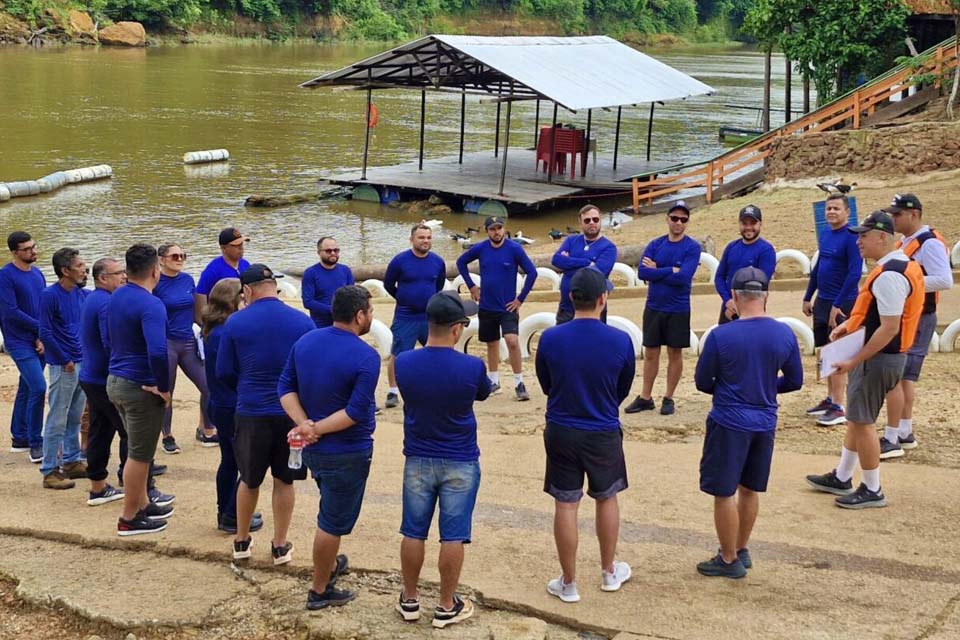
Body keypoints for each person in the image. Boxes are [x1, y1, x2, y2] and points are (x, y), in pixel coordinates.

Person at [806, 211, 924, 509]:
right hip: (884, 356)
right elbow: (880, 318)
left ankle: (872, 488)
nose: (858, 241)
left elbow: (888, 327)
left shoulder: (889, 275)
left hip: (879, 358)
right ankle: (844, 475)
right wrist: (851, 326)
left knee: (863, 421)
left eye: (864, 235)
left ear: (882, 237)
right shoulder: (899, 266)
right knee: (858, 420)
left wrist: (854, 358)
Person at [694, 267, 803, 579]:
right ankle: (741, 548)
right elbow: (794, 380)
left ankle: (728, 558)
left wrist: (729, 387)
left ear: (734, 297)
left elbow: (703, 381)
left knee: (724, 491)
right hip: (764, 419)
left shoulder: (720, 335)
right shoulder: (784, 333)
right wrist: (767, 386)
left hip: (729, 419)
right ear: (766, 295)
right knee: (750, 488)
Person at [536, 267, 635, 603]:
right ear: (603, 299)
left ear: (570, 297)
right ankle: (608, 571)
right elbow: (622, 387)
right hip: (602, 428)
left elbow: (546, 383)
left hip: (563, 427)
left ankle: (569, 581)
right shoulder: (620, 339)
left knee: (566, 504)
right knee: (606, 497)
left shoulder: (550, 337)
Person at [394, 291, 491, 628]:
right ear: (456, 329)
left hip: (418, 456)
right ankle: (446, 604)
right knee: (453, 534)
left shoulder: (404, 362)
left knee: (413, 530)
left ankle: (409, 598)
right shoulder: (471, 366)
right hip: (460, 457)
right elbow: (482, 391)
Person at [280, 285, 380, 609]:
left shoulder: (306, 340)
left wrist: (304, 425)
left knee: (330, 509)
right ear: (359, 315)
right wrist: (314, 429)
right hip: (346, 451)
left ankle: (329, 564)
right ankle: (320, 589)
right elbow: (355, 411)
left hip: (314, 450)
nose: (372, 317)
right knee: (331, 522)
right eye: (371, 311)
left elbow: (285, 387)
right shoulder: (367, 356)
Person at [217, 264, 314, 564]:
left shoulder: (235, 323)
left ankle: (241, 541)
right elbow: (310, 372)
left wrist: (247, 386)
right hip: (290, 413)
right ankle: (280, 544)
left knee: (248, 479)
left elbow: (223, 372)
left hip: (251, 411)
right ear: (275, 286)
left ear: (247, 290)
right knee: (284, 480)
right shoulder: (303, 322)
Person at [108, 244, 175, 536]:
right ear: (154, 271)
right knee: (140, 454)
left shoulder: (118, 295)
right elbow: (158, 351)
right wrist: (163, 387)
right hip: (140, 386)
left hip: (116, 380)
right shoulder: (151, 304)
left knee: (137, 448)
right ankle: (129, 516)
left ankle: (144, 503)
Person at [879, 193, 952, 459]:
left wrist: (909, 283)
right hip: (911, 313)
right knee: (903, 376)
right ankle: (902, 432)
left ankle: (899, 433)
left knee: (904, 375)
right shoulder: (907, 241)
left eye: (897, 214)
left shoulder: (929, 243)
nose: (893, 219)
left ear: (913, 214)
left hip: (920, 315)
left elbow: (944, 279)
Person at [201, 278, 264, 534]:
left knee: (229, 460)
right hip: (232, 405)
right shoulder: (226, 331)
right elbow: (234, 370)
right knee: (241, 462)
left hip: (219, 402)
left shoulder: (213, 329)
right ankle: (231, 514)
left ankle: (228, 510)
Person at [626, 201, 701, 416]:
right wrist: (671, 270)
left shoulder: (692, 247)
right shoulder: (655, 244)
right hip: (654, 306)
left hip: (678, 308)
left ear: (687, 222)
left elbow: (685, 276)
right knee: (650, 352)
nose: (678, 222)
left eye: (683, 219)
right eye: (675, 218)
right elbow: (642, 273)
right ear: (667, 219)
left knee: (675, 353)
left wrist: (659, 270)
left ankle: (668, 397)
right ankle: (646, 397)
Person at [456, 216, 537, 400]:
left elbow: (532, 272)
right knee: (491, 343)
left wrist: (520, 299)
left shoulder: (514, 249)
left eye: (500, 228)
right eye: (493, 229)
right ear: (487, 231)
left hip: (508, 306)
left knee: (512, 341)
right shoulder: (481, 248)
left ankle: (519, 382)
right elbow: (461, 263)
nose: (497, 232)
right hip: (486, 305)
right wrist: (471, 286)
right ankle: (494, 380)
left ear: (504, 228)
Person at [803, 194, 863, 427]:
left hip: (843, 302)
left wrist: (837, 305)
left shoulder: (852, 237)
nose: (831, 212)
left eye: (837, 208)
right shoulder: (826, 234)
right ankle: (830, 399)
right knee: (825, 351)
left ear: (847, 212)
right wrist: (809, 296)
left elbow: (854, 274)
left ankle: (839, 406)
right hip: (823, 301)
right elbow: (818, 269)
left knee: (838, 352)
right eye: (828, 208)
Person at [154, 243, 217, 454]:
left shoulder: (187, 279)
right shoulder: (155, 282)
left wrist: (206, 331)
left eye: (183, 255)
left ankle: (207, 429)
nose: (179, 259)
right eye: (174, 256)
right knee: (167, 392)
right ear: (161, 259)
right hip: (167, 342)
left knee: (208, 385)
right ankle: (167, 435)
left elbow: (196, 312)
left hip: (188, 340)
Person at [38, 248, 89, 490]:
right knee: (57, 417)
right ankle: (49, 469)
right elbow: (45, 331)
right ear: (65, 270)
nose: (84, 268)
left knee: (75, 415)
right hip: (63, 365)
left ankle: (71, 460)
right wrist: (64, 358)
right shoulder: (50, 295)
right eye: (79, 265)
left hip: (81, 361)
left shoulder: (80, 294)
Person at [79, 258, 128, 506]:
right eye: (118, 273)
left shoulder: (92, 299)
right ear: (102, 278)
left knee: (100, 430)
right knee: (130, 431)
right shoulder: (107, 303)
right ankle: (135, 485)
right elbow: (110, 343)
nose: (124, 276)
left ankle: (98, 486)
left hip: (91, 376)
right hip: (104, 378)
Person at [383, 224, 447, 409]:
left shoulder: (437, 261)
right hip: (405, 316)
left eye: (428, 237)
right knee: (398, 354)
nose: (425, 241)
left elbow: (439, 285)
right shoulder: (400, 261)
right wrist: (404, 299)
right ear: (412, 239)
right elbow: (388, 284)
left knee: (437, 352)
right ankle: (393, 391)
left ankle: (435, 387)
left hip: (430, 317)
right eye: (421, 237)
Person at [0, 231, 46, 462]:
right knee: (38, 387)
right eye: (27, 249)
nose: (33, 251)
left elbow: (41, 306)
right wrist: (40, 330)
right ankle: (36, 442)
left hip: (38, 339)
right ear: (15, 252)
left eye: (34, 246)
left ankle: (19, 437)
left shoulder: (38, 274)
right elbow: (10, 312)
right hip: (17, 341)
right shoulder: (5, 276)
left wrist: (41, 335)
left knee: (27, 387)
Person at [551, 204, 617, 325]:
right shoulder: (571, 240)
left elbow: (597, 273)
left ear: (600, 221)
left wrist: (568, 264)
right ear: (580, 223)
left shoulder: (609, 247)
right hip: (566, 309)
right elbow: (556, 260)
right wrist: (586, 263)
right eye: (587, 220)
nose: (592, 223)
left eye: (595, 219)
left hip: (594, 312)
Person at [713, 205, 775, 324]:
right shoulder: (731, 247)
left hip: (752, 310)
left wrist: (738, 307)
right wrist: (728, 301)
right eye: (744, 223)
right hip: (728, 308)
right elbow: (719, 277)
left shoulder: (766, 250)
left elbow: (762, 284)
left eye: (752, 223)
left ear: (760, 224)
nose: (748, 227)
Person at [301, 236, 355, 328]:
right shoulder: (310, 273)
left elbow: (353, 296)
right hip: (320, 325)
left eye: (336, 250)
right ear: (319, 253)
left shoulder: (346, 271)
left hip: (345, 323)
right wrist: (333, 310)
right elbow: (308, 302)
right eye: (328, 251)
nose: (333, 253)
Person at [196, 228, 251, 302]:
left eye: (241, 244)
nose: (240, 247)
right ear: (223, 248)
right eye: (235, 245)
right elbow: (200, 296)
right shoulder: (213, 270)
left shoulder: (246, 265)